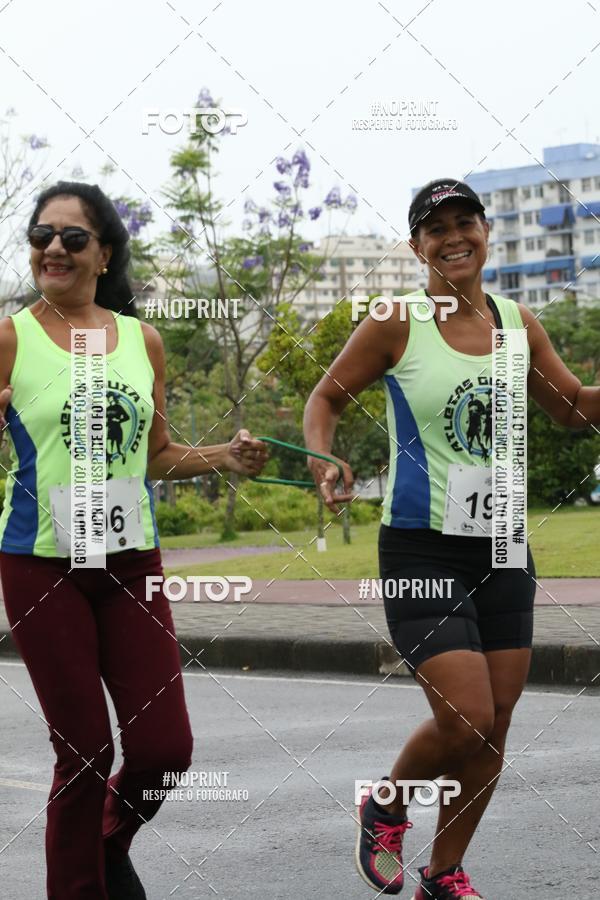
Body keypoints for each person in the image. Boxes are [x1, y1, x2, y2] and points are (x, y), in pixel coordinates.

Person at [303, 178, 600, 898]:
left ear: (486, 233)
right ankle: (386, 803)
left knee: (495, 724)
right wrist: (322, 453)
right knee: (466, 716)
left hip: (502, 546)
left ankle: (444, 872)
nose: (454, 236)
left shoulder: (518, 325)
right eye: (436, 229)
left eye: (466, 221)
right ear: (417, 247)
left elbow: (571, 409)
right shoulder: (395, 320)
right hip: (420, 547)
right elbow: (326, 398)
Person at [0, 181, 268, 900]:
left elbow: (156, 453)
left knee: (163, 749)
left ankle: (106, 839)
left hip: (130, 565)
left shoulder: (140, 340)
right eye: (42, 234)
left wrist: (227, 459)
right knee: (84, 753)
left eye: (73, 237)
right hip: (40, 563)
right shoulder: (10, 337)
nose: (54, 247)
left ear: (104, 252)